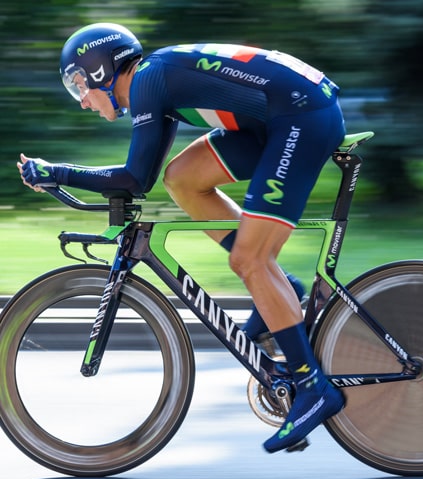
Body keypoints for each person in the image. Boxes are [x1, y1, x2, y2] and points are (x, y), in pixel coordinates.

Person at [17, 22, 346, 453]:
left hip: (301, 118)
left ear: (100, 70)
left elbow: (132, 180)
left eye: (80, 85)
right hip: (281, 116)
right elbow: (146, 179)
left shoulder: (149, 80)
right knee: (183, 178)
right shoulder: (154, 83)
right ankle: (281, 285)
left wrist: (56, 171)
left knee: (249, 260)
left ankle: (312, 387)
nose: (82, 100)